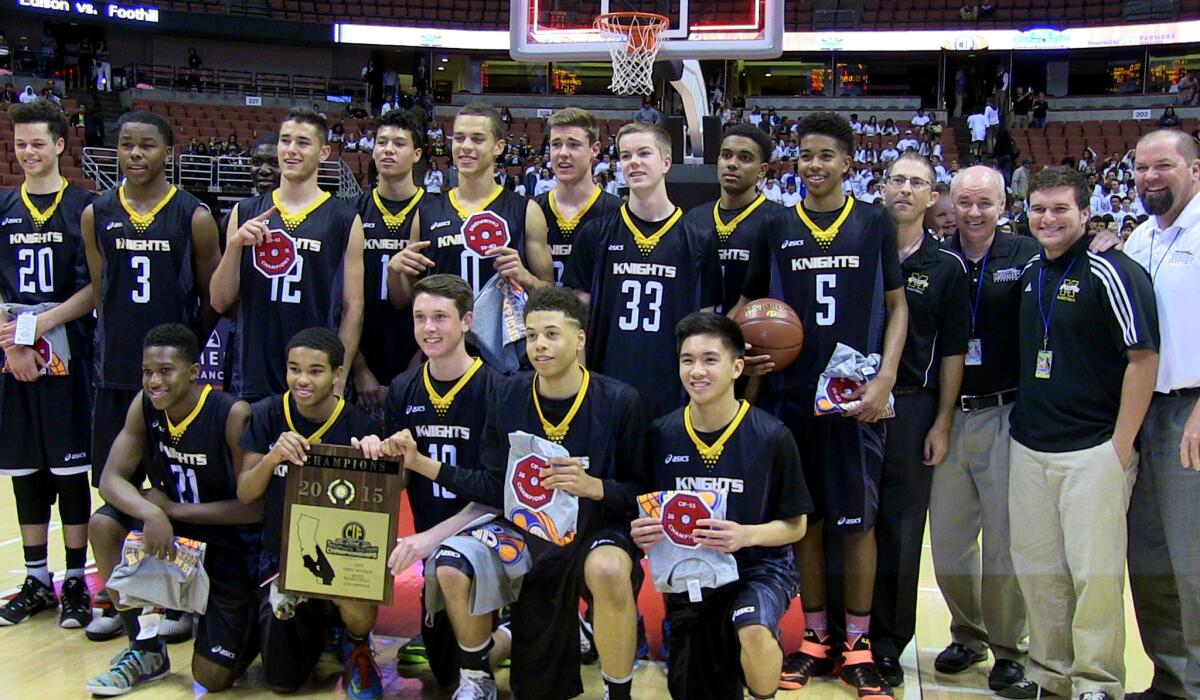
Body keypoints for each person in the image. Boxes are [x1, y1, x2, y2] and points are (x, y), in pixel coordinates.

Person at [378, 285, 649, 700]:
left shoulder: (620, 400)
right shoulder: (507, 393)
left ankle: (619, 691)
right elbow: (491, 484)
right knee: (451, 562)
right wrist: (419, 463)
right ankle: (476, 679)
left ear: (579, 338)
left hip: (595, 530)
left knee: (609, 569)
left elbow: (640, 494)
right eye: (532, 334)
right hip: (525, 530)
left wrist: (594, 487)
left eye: (552, 334)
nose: (539, 345)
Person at [735, 112, 908, 697]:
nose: (814, 165)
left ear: (848, 163)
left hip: (853, 398)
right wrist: (747, 355)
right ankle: (812, 638)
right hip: (789, 399)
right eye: (806, 154)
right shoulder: (774, 225)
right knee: (805, 523)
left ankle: (856, 644)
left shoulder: (874, 221)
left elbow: (897, 305)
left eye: (826, 155)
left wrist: (885, 378)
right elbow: (749, 307)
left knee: (858, 525)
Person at [1001, 166, 1159, 700]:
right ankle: (1049, 675)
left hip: (1093, 448)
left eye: (1060, 209)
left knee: (1094, 576)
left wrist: (1119, 447)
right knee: (1039, 571)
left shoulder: (1112, 270)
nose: (1047, 218)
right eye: (1039, 209)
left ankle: (1098, 682)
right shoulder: (1030, 272)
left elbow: (1143, 358)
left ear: (1086, 214)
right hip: (1029, 446)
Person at [633, 312, 810, 699]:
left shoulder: (772, 436)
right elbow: (647, 507)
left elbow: (796, 525)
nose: (697, 371)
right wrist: (642, 528)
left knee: (753, 628)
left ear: (737, 367)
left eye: (710, 359)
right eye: (687, 360)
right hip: (692, 570)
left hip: (759, 566)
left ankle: (763, 692)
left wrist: (746, 535)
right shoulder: (662, 434)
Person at [83, 324, 263, 695]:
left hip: (226, 545)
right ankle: (145, 648)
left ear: (194, 371)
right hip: (170, 530)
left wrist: (174, 512)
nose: (154, 381)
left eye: (166, 371)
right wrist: (153, 514)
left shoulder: (232, 413)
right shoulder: (145, 405)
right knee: (103, 524)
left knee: (211, 679)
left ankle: (253, 625)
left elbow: (253, 509)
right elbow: (111, 478)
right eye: (148, 372)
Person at [379, 274, 511, 689]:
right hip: (434, 543)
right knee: (443, 671)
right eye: (420, 318)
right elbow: (398, 479)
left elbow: (496, 495)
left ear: (467, 321)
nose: (429, 329)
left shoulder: (497, 389)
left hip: (489, 534)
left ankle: (517, 625)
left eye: (440, 317)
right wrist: (374, 454)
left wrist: (429, 538)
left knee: (469, 668)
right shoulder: (402, 388)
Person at [928, 166, 1032, 691]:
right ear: (950, 201)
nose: (973, 212)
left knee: (1004, 544)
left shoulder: (1027, 255)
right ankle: (967, 636)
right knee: (948, 544)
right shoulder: (937, 259)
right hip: (946, 416)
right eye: (964, 201)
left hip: (1005, 415)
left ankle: (1012, 648)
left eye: (985, 203)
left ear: (1004, 204)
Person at [236, 327, 383, 697]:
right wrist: (273, 457)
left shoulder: (359, 425)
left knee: (361, 578)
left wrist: (376, 458)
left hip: (339, 551)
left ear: (337, 374)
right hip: (282, 554)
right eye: (294, 369)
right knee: (283, 682)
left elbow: (389, 503)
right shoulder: (267, 413)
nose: (302, 380)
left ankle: (357, 644)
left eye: (315, 371)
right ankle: (313, 626)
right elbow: (245, 492)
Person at [82, 110, 221, 492]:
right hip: (117, 365)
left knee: (174, 487)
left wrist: (187, 344)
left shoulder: (194, 216)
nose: (136, 154)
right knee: (115, 488)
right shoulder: (96, 213)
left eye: (147, 145)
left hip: (171, 374)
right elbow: (100, 290)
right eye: (127, 145)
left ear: (168, 153)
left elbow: (213, 298)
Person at [872, 153, 970, 687]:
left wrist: (942, 423)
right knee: (851, 523)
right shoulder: (860, 247)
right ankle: (847, 631)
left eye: (918, 183)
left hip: (912, 406)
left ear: (933, 197)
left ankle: (889, 644)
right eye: (897, 179)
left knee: (902, 530)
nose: (905, 189)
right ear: (882, 187)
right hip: (853, 402)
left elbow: (953, 352)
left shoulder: (946, 267)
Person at [0, 100, 96, 629]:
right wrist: (13, 341)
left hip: (69, 356)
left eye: (38, 143)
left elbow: (93, 287)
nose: (28, 153)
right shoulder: (3, 207)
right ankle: (36, 580)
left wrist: (40, 325)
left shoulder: (84, 206)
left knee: (69, 470)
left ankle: (76, 579)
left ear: (60, 145)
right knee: (24, 468)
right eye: (20, 144)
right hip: (12, 358)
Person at [562, 121, 723, 418]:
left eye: (643, 153)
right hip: (605, 385)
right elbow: (577, 325)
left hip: (672, 390)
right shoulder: (595, 234)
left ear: (665, 162)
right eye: (625, 156)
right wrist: (580, 388)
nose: (633, 162)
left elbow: (706, 327)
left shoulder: (699, 238)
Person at [210, 107, 366, 402]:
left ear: (324, 152)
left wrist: (339, 377)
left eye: (303, 142)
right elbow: (219, 300)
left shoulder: (344, 219)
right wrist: (233, 247)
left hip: (315, 375)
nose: (291, 150)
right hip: (253, 370)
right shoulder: (245, 212)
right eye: (285, 140)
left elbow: (353, 308)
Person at [1124, 129, 1200, 700]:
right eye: (1142, 167)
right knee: (1149, 555)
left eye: (1164, 165)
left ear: (1193, 170)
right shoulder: (1139, 240)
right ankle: (1171, 679)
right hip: (1142, 412)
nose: (1151, 177)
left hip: (1190, 412)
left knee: (1192, 558)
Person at [391, 102, 553, 304]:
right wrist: (394, 273)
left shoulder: (526, 210)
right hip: (443, 334)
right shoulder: (426, 212)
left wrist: (527, 279)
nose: (466, 146)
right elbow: (402, 301)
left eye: (477, 139)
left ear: (499, 147)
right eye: (459, 138)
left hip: (504, 335)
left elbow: (550, 294)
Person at [349, 109, 426, 416]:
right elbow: (341, 303)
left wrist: (423, 360)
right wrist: (357, 367)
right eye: (381, 142)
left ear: (417, 153)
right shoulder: (350, 211)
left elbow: (443, 296)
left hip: (417, 358)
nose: (388, 150)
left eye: (399, 143)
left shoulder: (435, 211)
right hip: (362, 358)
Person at [684, 123, 783, 314]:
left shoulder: (779, 221)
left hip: (755, 337)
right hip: (701, 334)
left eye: (744, 158)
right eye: (726, 155)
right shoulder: (694, 219)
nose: (732, 163)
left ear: (762, 170)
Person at [535, 108, 623, 285]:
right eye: (556, 144)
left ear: (595, 149)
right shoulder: (532, 210)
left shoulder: (618, 213)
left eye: (574, 145)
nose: (563, 153)